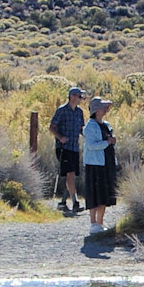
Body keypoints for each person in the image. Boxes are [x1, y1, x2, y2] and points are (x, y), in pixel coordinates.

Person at [81, 96, 118, 234]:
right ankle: (93, 222)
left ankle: (100, 222)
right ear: (96, 110)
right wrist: (107, 143)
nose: (105, 110)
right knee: (94, 193)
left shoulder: (106, 125)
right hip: (95, 164)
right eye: (103, 108)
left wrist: (112, 142)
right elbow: (91, 145)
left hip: (106, 163)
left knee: (105, 193)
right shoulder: (89, 127)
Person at [48, 87, 86, 212]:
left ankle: (63, 202)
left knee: (72, 175)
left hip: (75, 147)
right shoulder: (62, 110)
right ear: (72, 96)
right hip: (64, 147)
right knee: (70, 173)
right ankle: (75, 202)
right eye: (79, 96)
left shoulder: (79, 112)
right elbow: (52, 127)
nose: (80, 99)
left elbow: (81, 129)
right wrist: (60, 137)